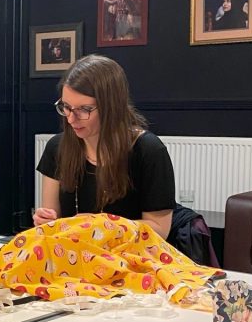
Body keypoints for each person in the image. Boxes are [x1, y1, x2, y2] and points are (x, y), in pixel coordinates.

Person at [33, 55, 175, 240]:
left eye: (84, 109)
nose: (70, 119)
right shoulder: (57, 147)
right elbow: (54, 221)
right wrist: (47, 221)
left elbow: (160, 230)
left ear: (112, 107)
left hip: (129, 258)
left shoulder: (148, 150)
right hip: (74, 256)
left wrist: (99, 225)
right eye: (66, 107)